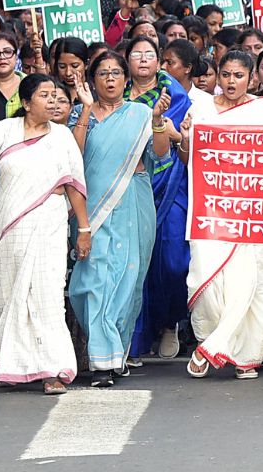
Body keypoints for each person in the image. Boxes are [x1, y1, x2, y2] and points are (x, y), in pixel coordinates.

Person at [0, 75, 93, 395]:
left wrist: (84, 229)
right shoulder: (6, 130)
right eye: (44, 95)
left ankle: (52, 371)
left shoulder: (62, 136)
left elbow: (74, 186)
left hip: (48, 224)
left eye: (55, 96)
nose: (52, 101)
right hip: (8, 229)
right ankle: (11, 364)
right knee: (7, 296)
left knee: (47, 296)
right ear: (25, 102)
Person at [179, 50, 263, 380]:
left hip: (251, 212)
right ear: (217, 77)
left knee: (253, 282)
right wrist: (184, 138)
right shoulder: (202, 108)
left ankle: (242, 354)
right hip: (211, 211)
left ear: (251, 78)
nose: (231, 82)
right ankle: (214, 340)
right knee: (205, 281)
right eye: (226, 75)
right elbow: (187, 158)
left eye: (239, 76)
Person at [69, 50, 164, 385]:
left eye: (115, 73)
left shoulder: (139, 113)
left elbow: (161, 152)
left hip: (132, 201)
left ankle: (109, 359)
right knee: (89, 284)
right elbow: (73, 154)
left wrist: (158, 122)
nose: (110, 79)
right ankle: (104, 354)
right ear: (92, 80)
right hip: (91, 208)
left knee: (126, 279)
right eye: (103, 73)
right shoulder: (82, 115)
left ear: (126, 79)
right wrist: (82, 108)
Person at [121, 34, 192, 361]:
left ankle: (169, 322)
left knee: (173, 260)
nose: (144, 60)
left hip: (170, 182)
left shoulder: (172, 93)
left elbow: (178, 136)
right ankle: (135, 338)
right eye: (137, 54)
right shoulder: (116, 91)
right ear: (127, 60)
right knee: (135, 264)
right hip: (126, 183)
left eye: (150, 54)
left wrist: (160, 122)